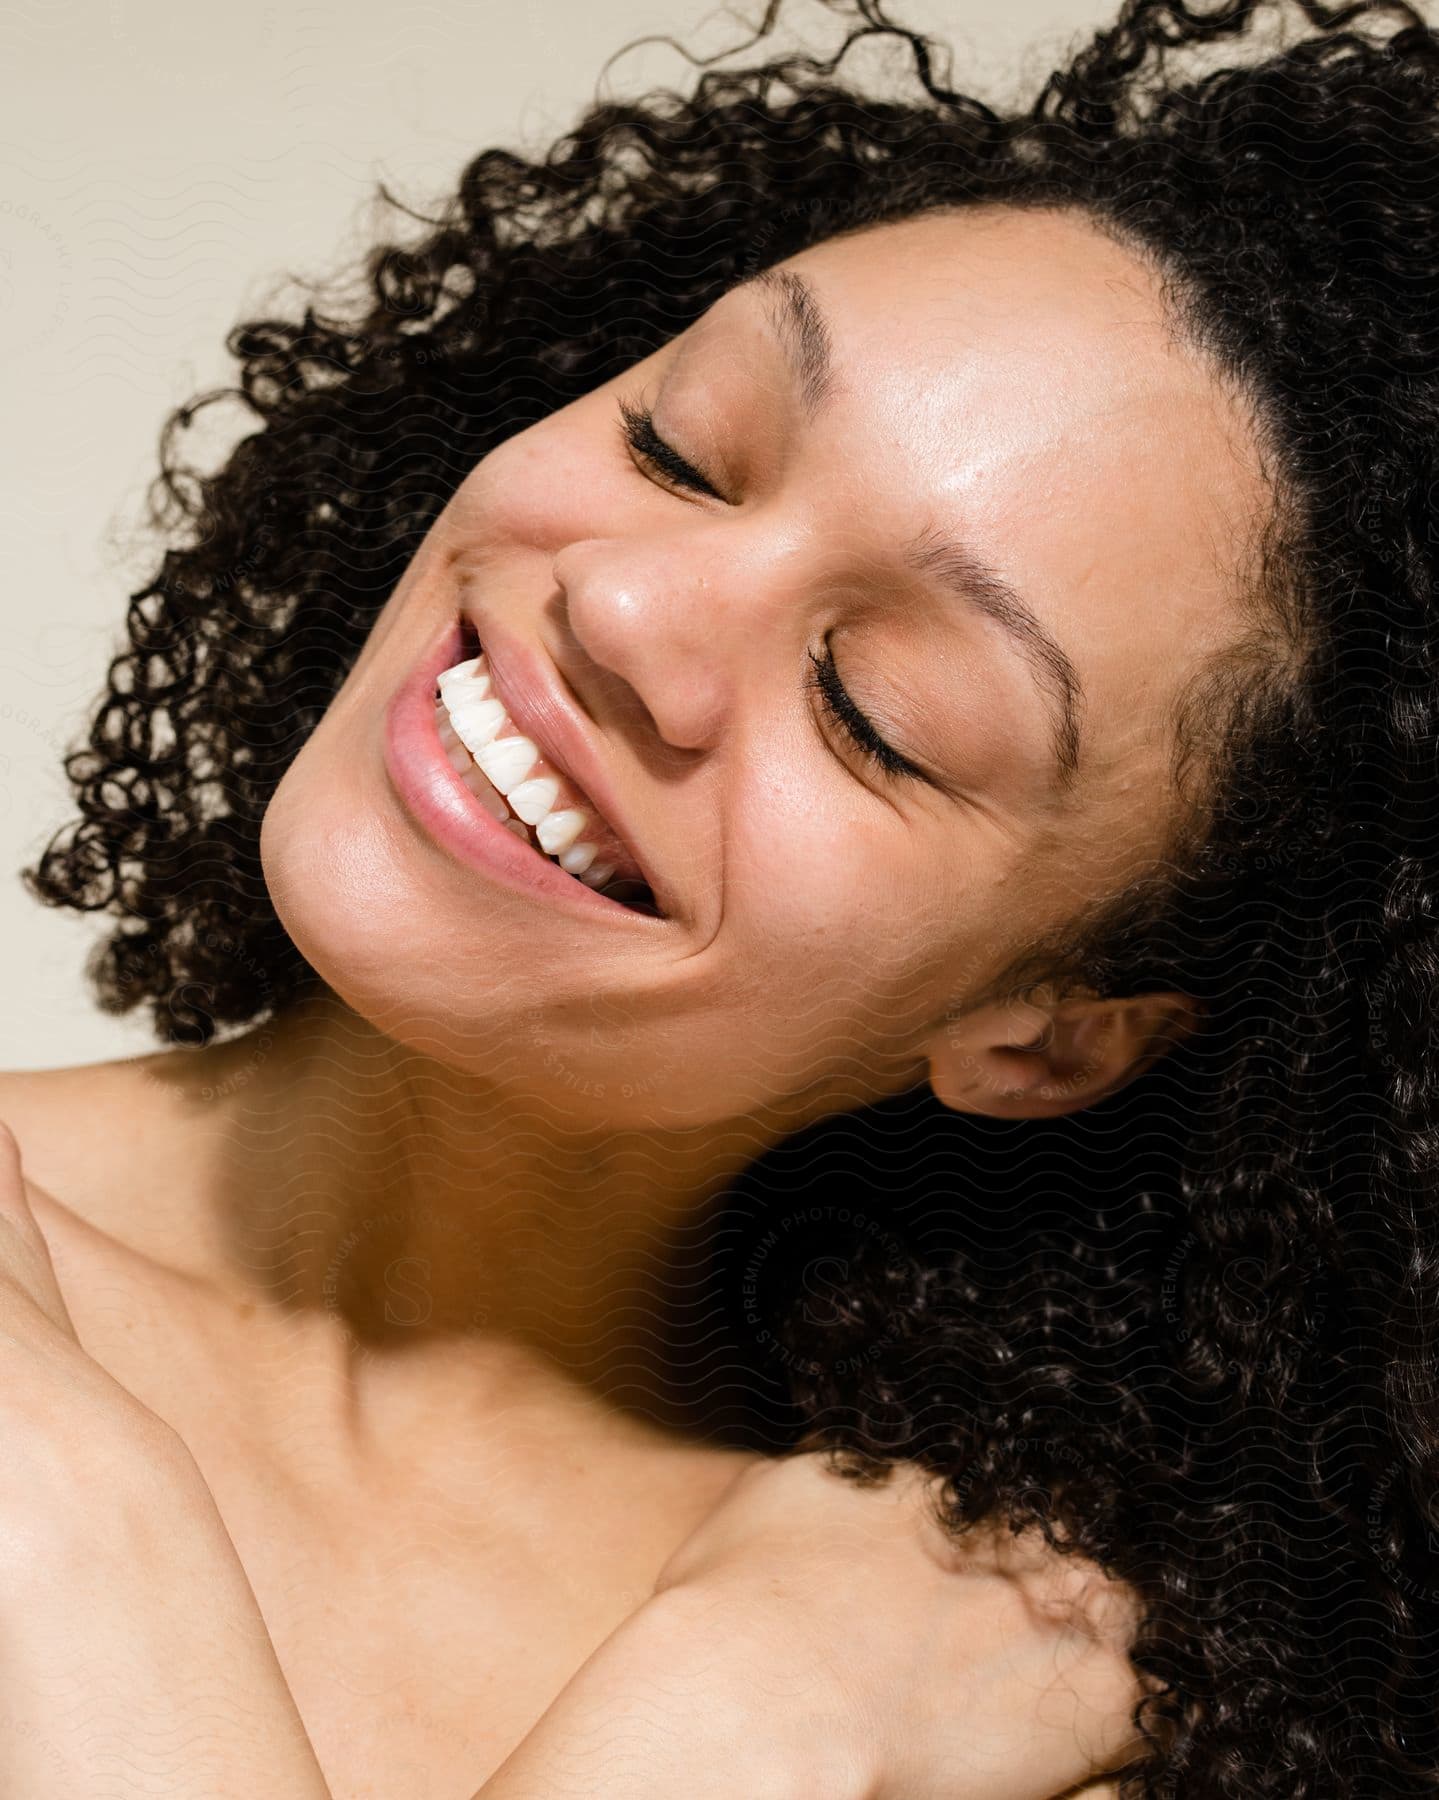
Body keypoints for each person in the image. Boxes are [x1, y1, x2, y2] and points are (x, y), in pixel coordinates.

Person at [2, 0, 1436, 1792]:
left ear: (1049, 1034)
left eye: (871, 710)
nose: (621, 608)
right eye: (680, 444)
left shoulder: (1018, 1683)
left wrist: (744, 1719)